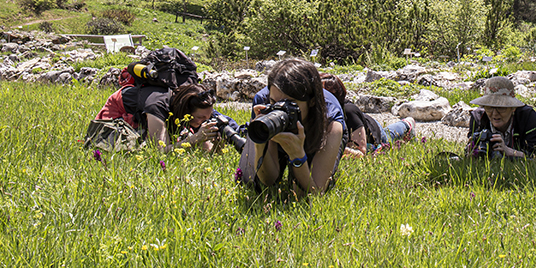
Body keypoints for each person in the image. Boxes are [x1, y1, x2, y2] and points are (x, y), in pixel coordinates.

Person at [240, 58, 347, 195]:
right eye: (274, 102)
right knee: (249, 181)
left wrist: (297, 156)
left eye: (289, 104)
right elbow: (268, 180)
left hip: (316, 127)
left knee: (297, 186)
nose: (279, 111)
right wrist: (261, 144)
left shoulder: (331, 120)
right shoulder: (263, 102)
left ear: (312, 101)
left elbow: (315, 191)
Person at [465, 76, 536, 159]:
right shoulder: (477, 117)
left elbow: (535, 154)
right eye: (490, 108)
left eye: (501, 108)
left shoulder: (527, 116)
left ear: (513, 108)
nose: (494, 114)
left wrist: (508, 151)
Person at [320, 73, 415, 157]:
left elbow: (361, 152)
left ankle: (407, 124)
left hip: (373, 132)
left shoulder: (349, 112)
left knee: (388, 136)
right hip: (362, 121)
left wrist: (334, 148)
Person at [168, 83, 241, 153]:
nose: (205, 122)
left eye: (208, 117)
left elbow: (208, 154)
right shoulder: (166, 117)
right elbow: (160, 150)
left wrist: (218, 146)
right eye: (200, 117)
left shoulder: (210, 116)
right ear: (186, 112)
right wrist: (195, 139)